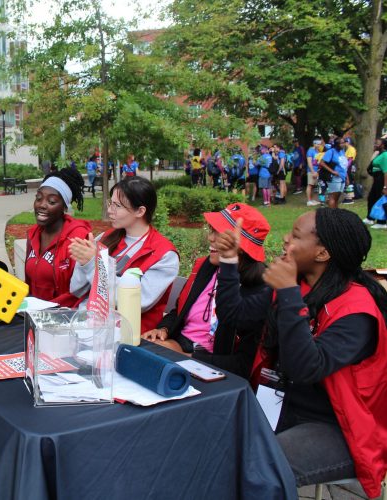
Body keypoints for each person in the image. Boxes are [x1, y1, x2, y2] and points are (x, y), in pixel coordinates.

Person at [212, 208, 387, 498]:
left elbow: (305, 367)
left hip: (338, 426)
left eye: (294, 235)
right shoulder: (299, 287)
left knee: (260, 467)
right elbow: (236, 315)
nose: (285, 239)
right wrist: (230, 261)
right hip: (283, 406)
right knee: (211, 437)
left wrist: (290, 294)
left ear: (322, 253)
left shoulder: (356, 312)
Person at [142, 203, 269, 378]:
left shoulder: (260, 291)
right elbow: (178, 310)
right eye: (211, 230)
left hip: (212, 368)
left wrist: (186, 359)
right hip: (180, 347)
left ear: (240, 245)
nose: (210, 238)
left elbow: (242, 364)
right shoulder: (206, 267)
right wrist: (163, 329)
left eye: (219, 233)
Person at [68, 177, 179, 333]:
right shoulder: (106, 238)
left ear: (140, 211)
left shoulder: (164, 255)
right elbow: (76, 289)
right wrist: (84, 262)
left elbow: (139, 302)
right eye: (110, 203)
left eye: (117, 206)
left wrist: (95, 264)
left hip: (125, 335)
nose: (110, 210)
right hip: (86, 324)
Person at [25, 169, 91, 307]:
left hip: (65, 318)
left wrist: (44, 309)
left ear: (64, 207)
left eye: (52, 201)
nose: (42, 205)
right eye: (38, 198)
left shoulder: (77, 237)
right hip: (33, 316)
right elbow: (28, 285)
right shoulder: (33, 234)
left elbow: (79, 291)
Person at [364, 137, 387, 229]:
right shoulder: (379, 154)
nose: (375, 145)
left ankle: (382, 222)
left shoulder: (385, 155)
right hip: (377, 179)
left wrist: (385, 187)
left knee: (380, 199)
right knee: (371, 198)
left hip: (382, 180)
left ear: (383, 145)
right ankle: (370, 218)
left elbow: (386, 172)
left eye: (377, 143)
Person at [318, 136, 348, 208]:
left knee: (338, 197)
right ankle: (331, 213)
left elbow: (343, 165)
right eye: (342, 143)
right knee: (333, 197)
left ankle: (335, 212)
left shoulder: (342, 152)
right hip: (334, 177)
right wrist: (333, 171)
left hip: (342, 177)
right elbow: (322, 163)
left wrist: (347, 177)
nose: (344, 144)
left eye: (344, 142)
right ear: (337, 144)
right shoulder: (331, 152)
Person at [305, 138, 322, 206]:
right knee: (310, 185)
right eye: (317, 144)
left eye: (319, 144)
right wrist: (313, 172)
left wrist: (317, 171)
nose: (318, 145)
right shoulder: (310, 151)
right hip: (311, 171)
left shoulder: (317, 151)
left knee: (313, 186)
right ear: (314, 144)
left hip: (316, 171)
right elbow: (309, 163)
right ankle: (309, 201)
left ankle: (311, 200)